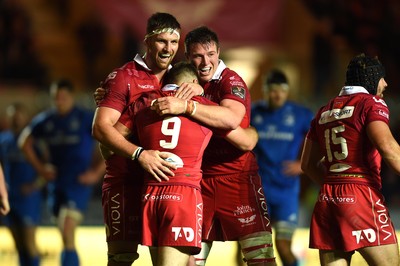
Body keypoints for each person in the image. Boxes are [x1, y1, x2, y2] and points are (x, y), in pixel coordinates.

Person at [152, 26, 276, 266]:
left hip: (236, 179)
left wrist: (189, 106)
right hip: (198, 183)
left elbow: (231, 120)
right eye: (198, 56)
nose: (205, 62)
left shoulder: (230, 81)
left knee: (260, 257)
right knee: (191, 261)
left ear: (219, 52)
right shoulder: (183, 81)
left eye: (210, 54)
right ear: (188, 57)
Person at [91, 12, 204, 266]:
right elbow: (100, 130)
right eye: (162, 41)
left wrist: (198, 88)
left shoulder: (180, 76)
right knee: (122, 258)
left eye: (174, 43)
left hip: (163, 185)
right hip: (126, 182)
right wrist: (140, 155)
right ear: (147, 41)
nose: (169, 49)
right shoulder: (123, 77)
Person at [300, 53, 399, 266]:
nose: (386, 83)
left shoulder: (324, 110)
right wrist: (351, 192)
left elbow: (307, 164)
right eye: (382, 78)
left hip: (328, 199)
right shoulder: (371, 103)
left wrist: (336, 188)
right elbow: (389, 148)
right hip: (361, 195)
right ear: (371, 79)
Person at [18, 79, 105, 266]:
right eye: (56, 97)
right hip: (56, 183)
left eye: (63, 97)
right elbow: (24, 142)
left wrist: (96, 173)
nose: (59, 101)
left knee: (67, 228)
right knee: (65, 235)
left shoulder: (84, 118)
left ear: (71, 97)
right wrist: (41, 168)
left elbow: (110, 140)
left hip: (78, 182)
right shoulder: (46, 120)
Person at [251, 70, 314, 266]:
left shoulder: (301, 115)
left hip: (286, 191)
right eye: (273, 90)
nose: (277, 95)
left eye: (282, 90)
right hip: (258, 191)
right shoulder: (253, 112)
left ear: (288, 91)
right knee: (253, 249)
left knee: (283, 246)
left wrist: (304, 165)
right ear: (265, 90)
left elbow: (321, 139)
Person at [0, 103, 43, 266]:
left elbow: (48, 168)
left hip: (28, 198)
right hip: (10, 197)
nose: (16, 120)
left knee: (29, 242)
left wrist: (34, 186)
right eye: (13, 117)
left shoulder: (33, 141)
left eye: (19, 116)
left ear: (26, 118)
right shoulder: (3, 139)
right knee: (18, 245)